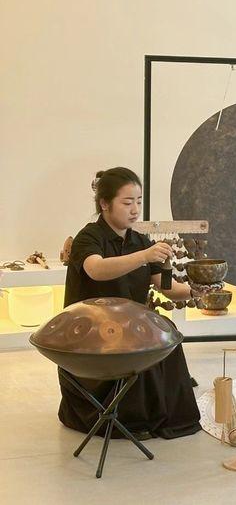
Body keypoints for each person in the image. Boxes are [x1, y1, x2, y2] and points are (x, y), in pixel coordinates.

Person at [58, 167, 201, 440]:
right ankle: (128, 418)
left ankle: (161, 417)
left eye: (138, 201)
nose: (135, 210)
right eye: (127, 202)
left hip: (130, 324)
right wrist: (144, 256)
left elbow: (168, 288)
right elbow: (96, 269)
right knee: (132, 340)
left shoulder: (139, 240)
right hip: (91, 330)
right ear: (104, 204)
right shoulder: (89, 237)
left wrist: (198, 290)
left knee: (165, 332)